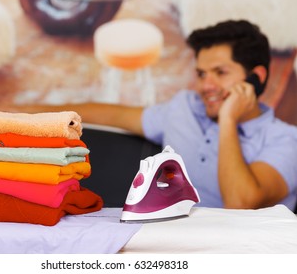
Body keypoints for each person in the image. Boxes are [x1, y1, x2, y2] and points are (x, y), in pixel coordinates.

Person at [16, 20, 297, 211]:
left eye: (220, 73)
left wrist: (228, 120)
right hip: (165, 244)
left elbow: (240, 204)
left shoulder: (286, 140)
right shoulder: (183, 108)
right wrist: (21, 117)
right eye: (201, 74)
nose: (206, 86)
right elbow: (109, 114)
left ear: (256, 78)